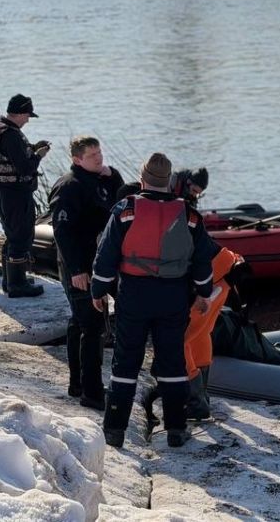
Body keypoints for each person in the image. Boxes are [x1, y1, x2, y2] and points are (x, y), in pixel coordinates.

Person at [91, 152, 218, 449]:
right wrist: (202, 292)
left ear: (142, 178)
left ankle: (114, 430)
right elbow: (202, 263)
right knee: (172, 362)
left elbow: (106, 254)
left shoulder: (126, 209)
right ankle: (176, 428)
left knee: (126, 362)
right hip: (173, 296)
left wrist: (98, 291)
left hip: (134, 294)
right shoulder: (189, 215)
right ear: (170, 181)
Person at [47, 136, 125, 409]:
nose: (99, 158)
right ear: (77, 159)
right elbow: (62, 232)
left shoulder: (103, 179)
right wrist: (77, 270)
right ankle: (91, 392)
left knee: (81, 323)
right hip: (78, 265)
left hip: (101, 263)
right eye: (92, 155)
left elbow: (122, 199)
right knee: (90, 326)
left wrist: (112, 174)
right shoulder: (69, 186)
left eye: (100, 152)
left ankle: (78, 383)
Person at [0, 94, 50, 298]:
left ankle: (10, 279)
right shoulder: (11, 135)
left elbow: (9, 156)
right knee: (21, 236)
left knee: (12, 233)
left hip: (2, 188)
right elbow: (24, 168)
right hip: (15, 192)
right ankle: (17, 284)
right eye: (27, 115)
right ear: (20, 113)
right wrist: (38, 155)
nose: (28, 120)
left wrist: (30, 148)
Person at [181, 246, 246, 420]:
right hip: (222, 266)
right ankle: (202, 395)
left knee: (177, 340)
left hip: (209, 275)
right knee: (200, 333)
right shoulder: (182, 219)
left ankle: (195, 402)